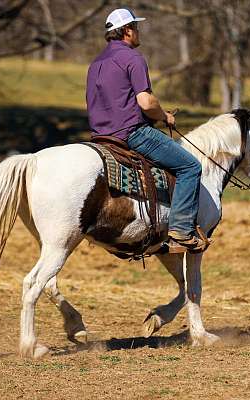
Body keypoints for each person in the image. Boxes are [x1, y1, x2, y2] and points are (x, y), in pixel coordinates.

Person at [86, 8, 206, 253]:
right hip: (131, 133)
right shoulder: (132, 57)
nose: (139, 32)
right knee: (190, 167)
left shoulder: (96, 62)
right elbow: (146, 102)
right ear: (127, 31)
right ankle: (181, 231)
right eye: (136, 27)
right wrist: (165, 116)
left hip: (101, 136)